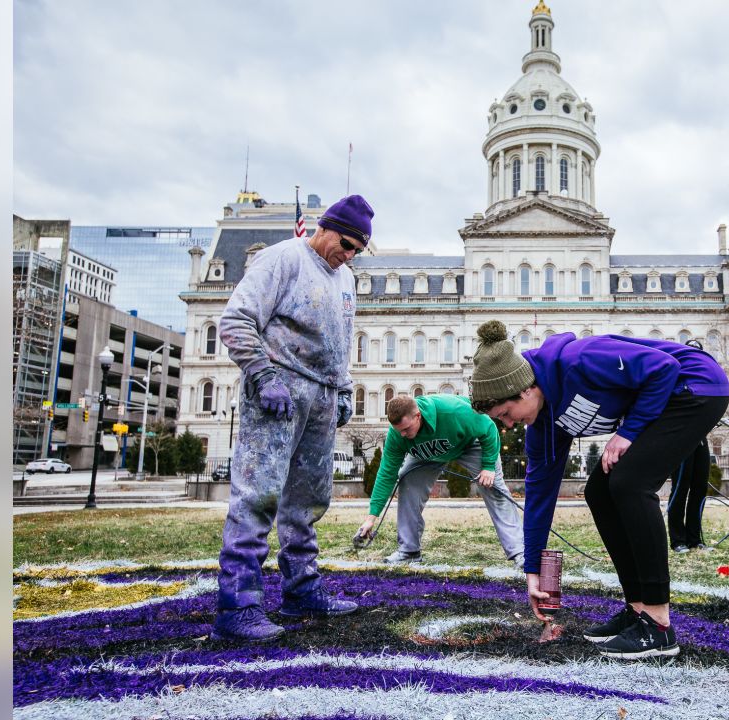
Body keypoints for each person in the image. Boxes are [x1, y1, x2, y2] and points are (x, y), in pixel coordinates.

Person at [469, 321, 729, 660]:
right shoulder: (544, 426)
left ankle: (659, 625)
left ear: (525, 390)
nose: (507, 425)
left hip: (695, 387)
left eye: (505, 413)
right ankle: (638, 610)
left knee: (630, 484)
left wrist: (629, 431)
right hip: (665, 399)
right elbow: (539, 496)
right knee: (600, 491)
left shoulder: (581, 359)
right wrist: (532, 571)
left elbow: (664, 368)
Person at [212, 194, 374, 642]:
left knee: (308, 498)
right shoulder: (281, 259)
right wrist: (263, 375)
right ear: (323, 228)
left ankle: (301, 589)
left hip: (320, 397)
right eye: (345, 243)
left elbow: (342, 340)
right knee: (259, 493)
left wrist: (343, 389)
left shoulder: (346, 280)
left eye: (358, 250)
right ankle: (238, 604)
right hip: (277, 392)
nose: (349, 254)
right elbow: (236, 320)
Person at [355, 394, 524, 567]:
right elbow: (386, 474)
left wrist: (488, 466)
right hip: (427, 453)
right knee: (407, 480)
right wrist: (371, 518)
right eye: (399, 431)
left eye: (406, 429)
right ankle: (409, 551)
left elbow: (488, 428)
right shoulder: (398, 435)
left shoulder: (454, 411)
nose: (403, 435)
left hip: (469, 443)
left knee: (494, 488)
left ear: (418, 416)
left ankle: (520, 552)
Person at [667, 437, 710, 553]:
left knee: (700, 488)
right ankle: (678, 540)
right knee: (680, 489)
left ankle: (694, 540)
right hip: (682, 438)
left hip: (701, 439)